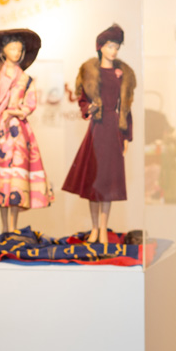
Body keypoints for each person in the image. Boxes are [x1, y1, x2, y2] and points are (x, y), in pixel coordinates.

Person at [62, 23, 136, 244]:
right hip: (96, 129)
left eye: (116, 47)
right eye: (110, 46)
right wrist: (89, 109)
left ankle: (103, 228)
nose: (114, 50)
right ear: (101, 47)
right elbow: (83, 101)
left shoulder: (122, 74)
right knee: (94, 181)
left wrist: (126, 136)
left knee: (108, 181)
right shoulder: (89, 72)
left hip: (113, 129)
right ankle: (94, 228)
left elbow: (126, 106)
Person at [0, 28, 54, 233]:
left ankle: (13, 227)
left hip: (17, 132)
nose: (17, 52)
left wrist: (17, 111)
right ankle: (4, 229)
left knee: (15, 179)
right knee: (1, 180)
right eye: (13, 48)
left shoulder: (26, 80)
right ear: (4, 51)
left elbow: (31, 102)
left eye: (20, 49)